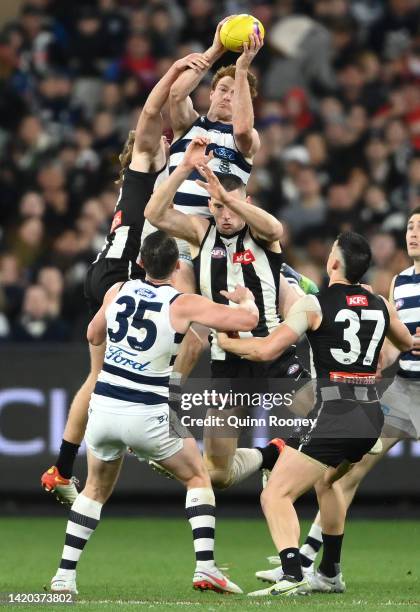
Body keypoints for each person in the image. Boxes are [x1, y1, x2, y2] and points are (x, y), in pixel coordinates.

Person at [49, 230, 259, 596]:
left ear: (141, 262)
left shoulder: (117, 291)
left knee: (95, 489)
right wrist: (249, 302)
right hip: (148, 412)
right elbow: (244, 322)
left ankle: (64, 576)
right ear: (178, 266)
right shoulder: (182, 303)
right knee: (198, 479)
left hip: (104, 409)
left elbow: (92, 335)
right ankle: (206, 567)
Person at [40, 52, 210, 504]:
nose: (167, 141)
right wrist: (175, 70)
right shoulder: (146, 168)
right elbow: (153, 111)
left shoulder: (149, 179)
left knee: (99, 376)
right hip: (120, 276)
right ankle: (163, 412)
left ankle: (61, 467)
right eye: (163, 141)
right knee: (192, 339)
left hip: (110, 273)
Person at [217, 231, 413, 597]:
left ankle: (293, 574)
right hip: (371, 414)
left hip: (335, 412)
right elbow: (406, 343)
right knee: (328, 483)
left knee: (275, 495)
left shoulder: (313, 304)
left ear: (334, 262)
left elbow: (265, 350)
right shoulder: (380, 304)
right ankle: (330, 572)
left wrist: (227, 341)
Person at [145, 136, 310, 490]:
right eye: (218, 208)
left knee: (324, 417)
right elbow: (154, 214)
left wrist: (229, 196)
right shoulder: (201, 233)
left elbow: (275, 228)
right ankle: (272, 454)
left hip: (272, 350)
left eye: (232, 207)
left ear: (245, 203)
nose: (226, 216)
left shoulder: (263, 235)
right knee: (217, 473)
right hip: (228, 359)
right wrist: (184, 169)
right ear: (210, 206)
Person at [142, 17, 263, 292]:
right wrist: (215, 50)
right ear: (210, 93)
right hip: (174, 226)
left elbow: (244, 129)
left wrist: (242, 70)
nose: (228, 97)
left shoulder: (247, 138)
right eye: (222, 89)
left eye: (236, 93)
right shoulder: (189, 125)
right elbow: (176, 94)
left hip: (217, 235)